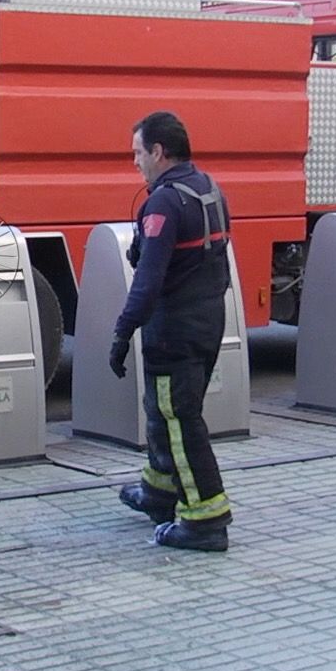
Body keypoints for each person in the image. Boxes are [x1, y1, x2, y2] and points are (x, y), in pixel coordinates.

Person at [108, 111, 234, 552]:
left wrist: (123, 332)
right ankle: (159, 491)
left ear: (158, 152)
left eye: (138, 153)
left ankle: (204, 520)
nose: (136, 163)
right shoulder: (209, 189)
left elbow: (148, 278)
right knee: (165, 413)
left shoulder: (162, 203)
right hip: (207, 320)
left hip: (173, 330)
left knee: (179, 421)